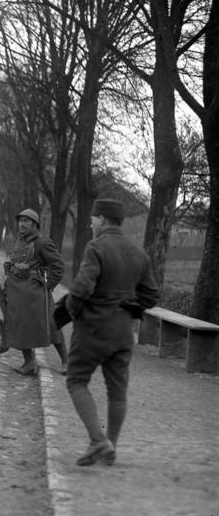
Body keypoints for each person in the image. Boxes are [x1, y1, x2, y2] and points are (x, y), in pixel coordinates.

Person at [63, 199, 159, 466]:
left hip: (93, 328)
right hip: (123, 333)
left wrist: (73, 310)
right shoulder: (139, 253)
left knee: (76, 380)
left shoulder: (96, 248)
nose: (90, 223)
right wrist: (127, 306)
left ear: (102, 219)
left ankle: (97, 440)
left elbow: (81, 289)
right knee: (117, 392)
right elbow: (152, 295)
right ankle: (111, 447)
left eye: (93, 218)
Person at [2, 209, 67, 375]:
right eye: (20, 220)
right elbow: (12, 264)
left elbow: (58, 266)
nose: (22, 224)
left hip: (36, 293)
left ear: (35, 224)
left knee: (51, 325)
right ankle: (29, 363)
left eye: (26, 221)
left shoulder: (41, 242)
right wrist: (6, 285)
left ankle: (66, 361)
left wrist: (49, 285)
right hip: (17, 292)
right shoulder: (18, 241)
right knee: (21, 326)